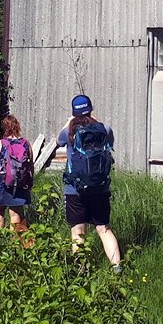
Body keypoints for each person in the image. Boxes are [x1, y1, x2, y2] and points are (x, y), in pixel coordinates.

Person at [57, 94, 122, 274]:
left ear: (74, 112)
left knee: (78, 231)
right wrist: (96, 121)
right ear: (91, 109)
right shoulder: (104, 128)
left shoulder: (69, 131)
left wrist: (69, 121)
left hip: (75, 189)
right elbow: (111, 142)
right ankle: (117, 268)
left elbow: (58, 141)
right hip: (100, 187)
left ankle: (80, 272)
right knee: (104, 229)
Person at [0, 114, 33, 231]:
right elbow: (30, 165)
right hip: (20, 182)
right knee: (16, 213)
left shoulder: (0, 143)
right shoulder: (26, 143)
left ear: (4, 128)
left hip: (0, 182)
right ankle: (14, 240)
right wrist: (30, 181)